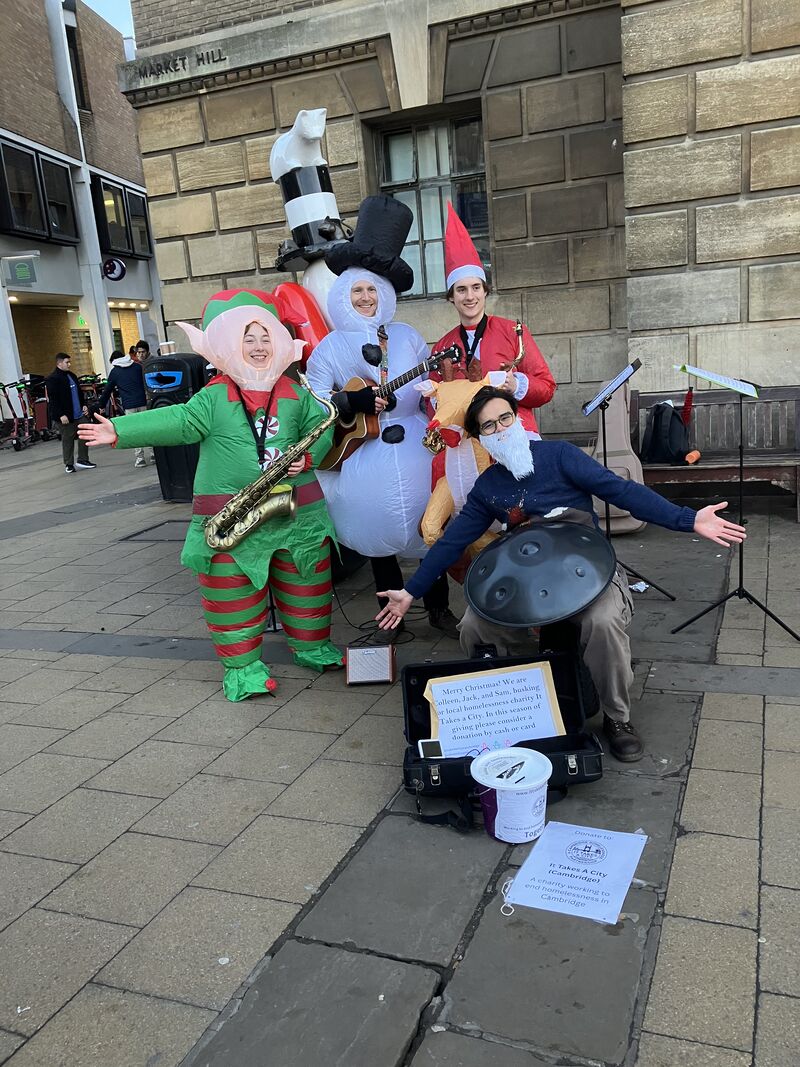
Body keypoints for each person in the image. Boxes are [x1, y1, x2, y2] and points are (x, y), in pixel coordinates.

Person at [374, 387, 746, 762]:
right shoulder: (488, 486)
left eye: (505, 418)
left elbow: (621, 491)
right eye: (488, 426)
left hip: (584, 569)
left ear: (518, 419)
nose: (500, 429)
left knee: (601, 622)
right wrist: (411, 591)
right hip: (526, 578)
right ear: (480, 438)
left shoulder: (559, 456)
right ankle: (502, 712)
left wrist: (688, 518)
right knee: (474, 626)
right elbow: (452, 542)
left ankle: (618, 718)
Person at [79, 289, 343, 701]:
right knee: (232, 591)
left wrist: (308, 458)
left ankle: (312, 646)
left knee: (308, 581)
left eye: (264, 337)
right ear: (227, 345)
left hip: (298, 515)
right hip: (233, 519)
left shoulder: (295, 391)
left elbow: (323, 429)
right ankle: (243, 669)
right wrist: (121, 431)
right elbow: (179, 420)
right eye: (247, 338)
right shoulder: (214, 396)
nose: (258, 347)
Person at [306, 196, 458, 642]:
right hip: (361, 457)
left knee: (431, 529)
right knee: (377, 541)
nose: (366, 298)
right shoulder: (330, 347)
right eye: (358, 290)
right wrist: (348, 405)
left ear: (385, 294)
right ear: (343, 295)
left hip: (414, 450)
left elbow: (434, 384)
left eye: (373, 290)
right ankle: (388, 617)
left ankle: (438, 609)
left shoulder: (409, 337)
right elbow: (313, 400)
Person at [429, 205, 556, 437]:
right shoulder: (441, 347)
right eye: (461, 290)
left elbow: (547, 388)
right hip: (465, 447)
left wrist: (516, 385)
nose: (470, 297)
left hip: (513, 438)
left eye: (476, 288)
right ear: (451, 297)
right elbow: (432, 409)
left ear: (485, 291)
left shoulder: (513, 331)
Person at [97, 350, 154, 467]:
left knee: (134, 431)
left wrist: (101, 405)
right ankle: (153, 454)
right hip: (143, 402)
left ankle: (140, 458)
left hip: (129, 405)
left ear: (114, 361)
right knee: (147, 427)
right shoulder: (137, 367)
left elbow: (107, 391)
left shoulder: (115, 372)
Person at [45, 353, 97, 474]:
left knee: (86, 434)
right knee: (67, 439)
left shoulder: (72, 376)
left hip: (79, 414)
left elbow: (79, 393)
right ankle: (69, 464)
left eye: (69, 362)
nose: (69, 364)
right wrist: (61, 415)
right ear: (59, 363)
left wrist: (84, 405)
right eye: (67, 362)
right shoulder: (52, 379)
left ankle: (83, 459)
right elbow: (53, 400)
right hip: (65, 417)